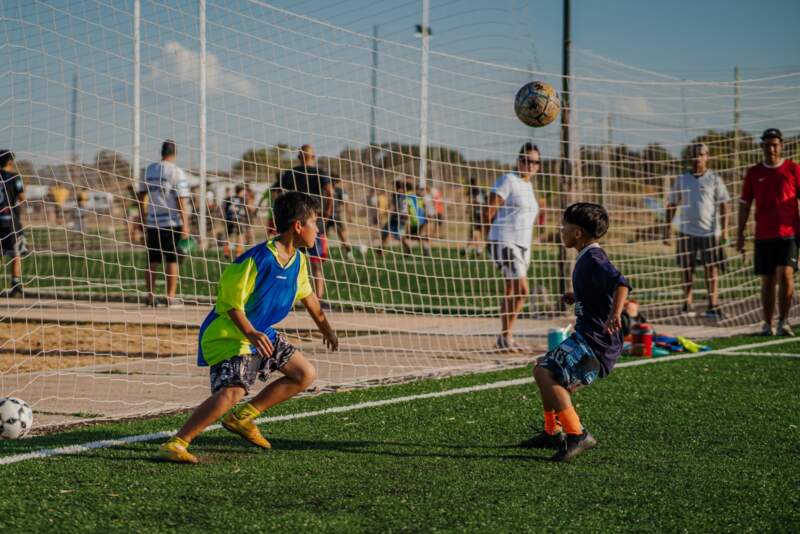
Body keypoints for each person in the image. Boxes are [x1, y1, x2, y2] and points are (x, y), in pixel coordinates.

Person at [156, 192, 338, 464]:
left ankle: (242, 418)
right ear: (298, 226)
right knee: (233, 391)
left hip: (260, 332)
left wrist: (326, 328)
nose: (318, 230)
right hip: (230, 333)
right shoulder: (255, 259)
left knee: (304, 373)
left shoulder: (298, 261)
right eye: (315, 222)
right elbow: (230, 304)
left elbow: (308, 296)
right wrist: (251, 333)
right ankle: (177, 443)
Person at [520, 202, 631, 462]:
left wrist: (615, 315)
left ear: (578, 233)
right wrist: (577, 295)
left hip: (597, 342)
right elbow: (599, 289)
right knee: (543, 368)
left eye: (564, 227)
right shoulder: (586, 257)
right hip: (588, 337)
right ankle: (552, 432)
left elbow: (621, 284)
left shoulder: (594, 258)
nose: (561, 231)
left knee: (546, 372)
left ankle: (577, 434)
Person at [737, 128, 800, 336]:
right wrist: (739, 233)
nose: (771, 148)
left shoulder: (793, 169)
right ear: (762, 147)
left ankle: (783, 320)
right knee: (767, 280)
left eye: (775, 144)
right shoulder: (754, 173)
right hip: (763, 234)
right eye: (767, 144)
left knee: (786, 275)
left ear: (781, 146)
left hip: (789, 233)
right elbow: (745, 204)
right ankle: (767, 323)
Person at [484, 142, 541, 352]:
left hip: (523, 245)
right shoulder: (508, 180)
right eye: (526, 160)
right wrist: (487, 237)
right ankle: (505, 336)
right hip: (504, 240)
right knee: (522, 290)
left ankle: (504, 337)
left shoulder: (529, 186)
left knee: (511, 290)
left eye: (535, 162)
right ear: (519, 161)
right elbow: (488, 209)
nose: (530, 165)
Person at [664, 143, 730, 319]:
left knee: (712, 269)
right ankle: (687, 303)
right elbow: (671, 204)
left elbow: (724, 205)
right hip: (686, 231)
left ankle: (713, 304)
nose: (697, 158)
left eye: (701, 154)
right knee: (686, 267)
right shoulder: (682, 179)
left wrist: (725, 230)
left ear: (707, 156)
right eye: (694, 154)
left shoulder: (715, 179)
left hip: (709, 232)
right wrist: (667, 230)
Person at [275, 145, 334, 306]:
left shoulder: (291, 173)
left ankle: (285, 298)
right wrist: (327, 213)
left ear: (299, 157)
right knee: (316, 264)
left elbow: (277, 192)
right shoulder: (319, 172)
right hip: (314, 223)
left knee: (289, 260)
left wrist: (281, 213)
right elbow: (330, 192)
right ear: (313, 156)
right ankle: (319, 299)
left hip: (294, 223)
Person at [138, 140, 191, 308]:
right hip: (171, 222)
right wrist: (186, 225)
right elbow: (181, 199)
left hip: (153, 222)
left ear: (161, 152)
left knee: (152, 260)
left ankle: (151, 296)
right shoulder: (176, 172)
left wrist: (142, 218)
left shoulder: (148, 170)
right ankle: (170, 297)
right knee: (172, 259)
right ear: (175, 153)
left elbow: (141, 196)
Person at [0, 150, 26, 298]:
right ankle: (15, 286)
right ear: (10, 162)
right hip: (11, 221)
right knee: (16, 253)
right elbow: (22, 197)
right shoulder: (14, 177)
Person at [325, 174, 354, 261]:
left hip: (328, 215)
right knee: (342, 236)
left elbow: (346, 203)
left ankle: (323, 255)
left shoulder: (327, 189)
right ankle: (349, 254)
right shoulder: (339, 190)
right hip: (335, 216)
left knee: (325, 236)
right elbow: (346, 203)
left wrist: (348, 215)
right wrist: (349, 215)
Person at [223, 184, 249, 261]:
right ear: (241, 191)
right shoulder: (243, 199)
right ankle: (238, 253)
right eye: (244, 190)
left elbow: (225, 209)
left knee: (228, 236)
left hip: (229, 219)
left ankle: (226, 253)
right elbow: (245, 209)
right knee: (240, 236)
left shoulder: (229, 198)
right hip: (239, 219)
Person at [461, 177, 485, 257]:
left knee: (475, 233)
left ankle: (476, 250)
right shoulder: (481, 190)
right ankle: (472, 250)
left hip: (477, 214)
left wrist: (467, 208)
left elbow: (472, 200)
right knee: (475, 233)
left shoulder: (473, 190)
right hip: (482, 213)